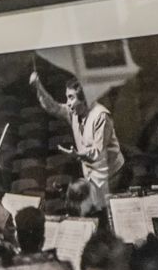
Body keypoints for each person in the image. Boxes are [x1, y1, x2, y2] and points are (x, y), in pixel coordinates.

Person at [31, 68, 125, 205]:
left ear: (85, 99)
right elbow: (53, 107)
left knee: (108, 209)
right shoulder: (73, 112)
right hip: (93, 174)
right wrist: (38, 86)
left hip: (112, 174)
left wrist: (77, 155)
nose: (68, 103)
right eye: (67, 97)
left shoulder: (101, 116)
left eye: (71, 97)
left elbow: (97, 154)